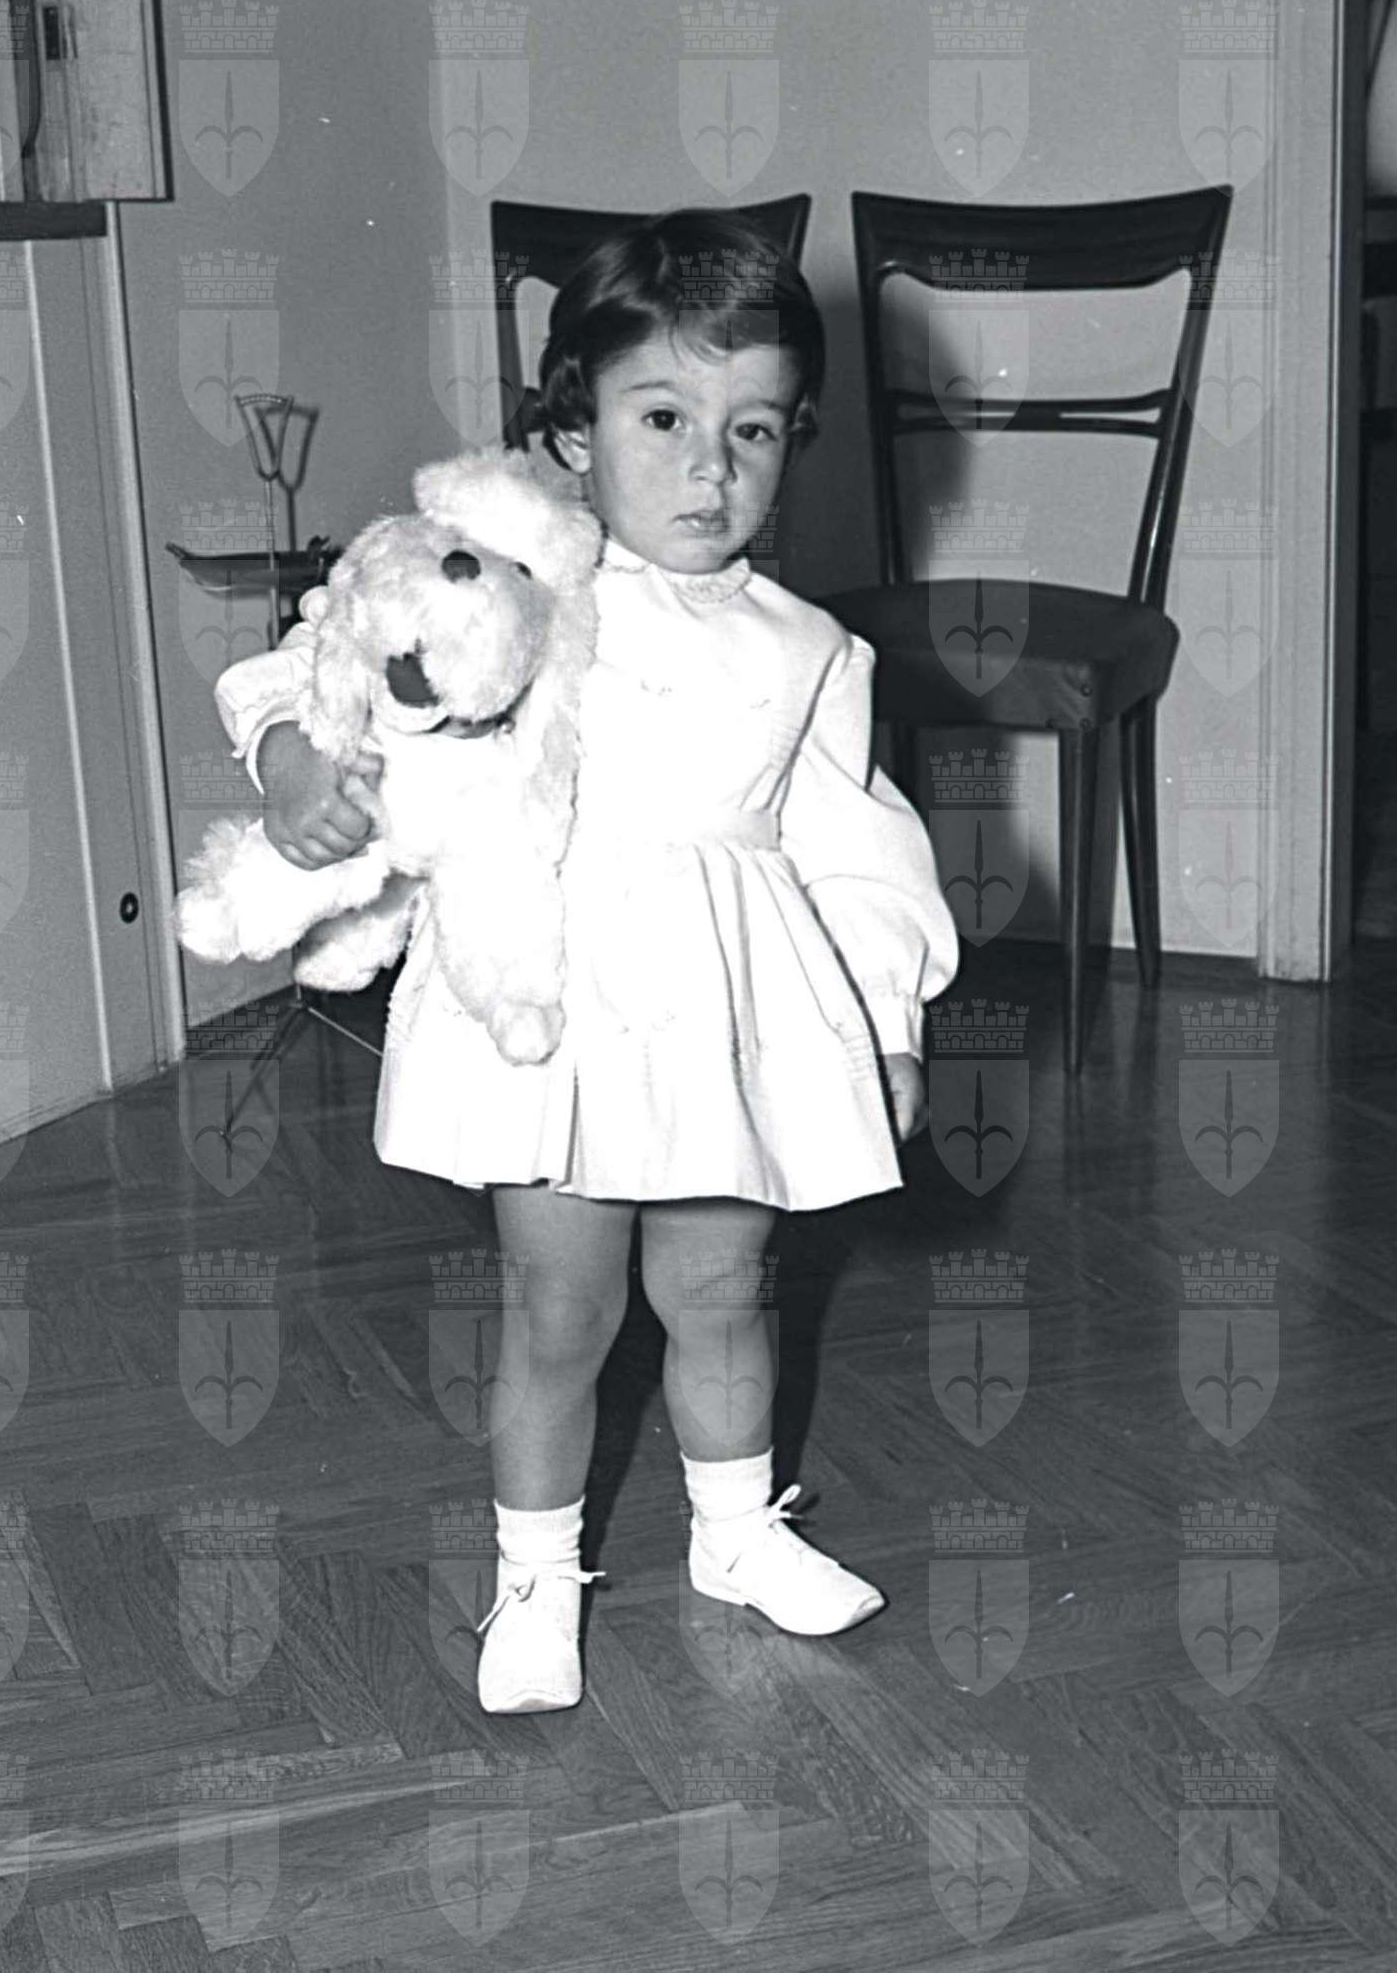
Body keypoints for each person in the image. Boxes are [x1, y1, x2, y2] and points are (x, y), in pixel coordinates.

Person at [209, 209, 960, 1713]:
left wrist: (890, 1019)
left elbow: (859, 849)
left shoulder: (812, 650)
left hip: (730, 1017)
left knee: (724, 1283)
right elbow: (315, 664)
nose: (711, 466)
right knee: (563, 1307)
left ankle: (735, 1532)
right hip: (548, 1008)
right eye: (664, 418)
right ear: (571, 432)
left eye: (754, 429)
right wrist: (294, 767)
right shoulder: (511, 588)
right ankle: (537, 1575)